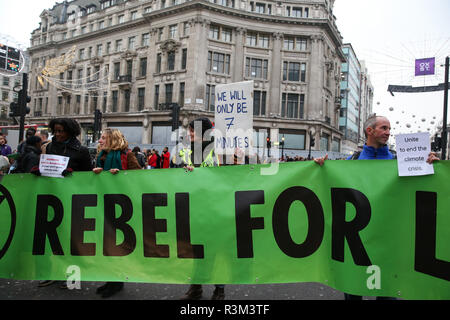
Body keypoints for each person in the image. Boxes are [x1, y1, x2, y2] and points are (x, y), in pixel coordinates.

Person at [342, 114, 438, 300]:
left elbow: (420, 185)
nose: (388, 132)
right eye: (384, 128)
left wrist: (431, 165)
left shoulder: (400, 160)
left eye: (389, 128)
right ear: (370, 131)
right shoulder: (352, 161)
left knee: (388, 289)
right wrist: (319, 168)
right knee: (353, 288)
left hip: (389, 237)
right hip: (359, 237)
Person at [37, 118, 93, 288]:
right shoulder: (50, 147)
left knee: (72, 240)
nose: (58, 134)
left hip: (72, 200)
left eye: (62, 131)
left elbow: (87, 176)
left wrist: (72, 173)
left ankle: (73, 276)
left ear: (70, 131)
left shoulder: (81, 151)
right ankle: (52, 273)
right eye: (56, 131)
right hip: (53, 198)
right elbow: (45, 166)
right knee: (53, 240)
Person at [178, 117, 225, 300]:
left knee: (214, 250)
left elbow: (217, 177)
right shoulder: (187, 151)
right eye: (189, 130)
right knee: (195, 249)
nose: (189, 133)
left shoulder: (215, 150)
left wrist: (196, 173)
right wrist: (184, 169)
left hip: (212, 209)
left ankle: (219, 289)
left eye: (193, 130)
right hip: (193, 207)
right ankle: (196, 287)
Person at [93, 128, 141, 298]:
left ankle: (117, 281)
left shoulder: (126, 155)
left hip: (122, 208)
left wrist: (122, 175)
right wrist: (97, 174)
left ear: (113, 140)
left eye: (103, 138)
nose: (100, 141)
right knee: (106, 245)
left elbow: (139, 177)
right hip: (103, 205)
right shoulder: (100, 157)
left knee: (117, 245)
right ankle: (109, 279)